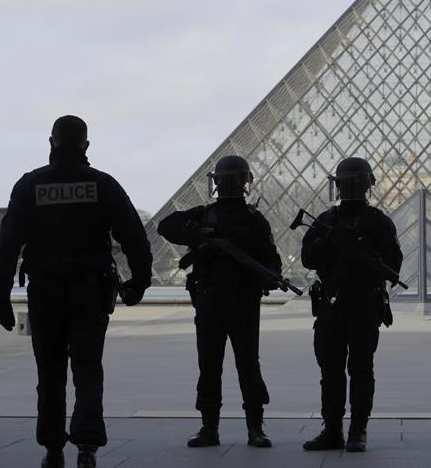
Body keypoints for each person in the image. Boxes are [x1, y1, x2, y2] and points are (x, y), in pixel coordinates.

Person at [0, 115, 152, 468]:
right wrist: (138, 283)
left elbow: (8, 244)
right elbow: (134, 237)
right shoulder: (104, 185)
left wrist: (0, 295)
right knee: (87, 371)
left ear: (51, 141)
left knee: (49, 375)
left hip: (45, 292)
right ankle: (87, 454)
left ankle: (54, 452)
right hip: (89, 292)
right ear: (86, 146)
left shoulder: (30, 185)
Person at [157, 155, 281, 449]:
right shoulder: (221, 217)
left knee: (220, 365)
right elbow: (167, 226)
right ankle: (246, 428)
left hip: (224, 300)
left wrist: (270, 275)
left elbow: (269, 261)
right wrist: (202, 239)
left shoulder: (223, 216)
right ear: (246, 181)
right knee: (237, 364)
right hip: (224, 300)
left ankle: (216, 427)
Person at [300, 157, 402, 452]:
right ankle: (334, 430)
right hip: (333, 303)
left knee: (358, 368)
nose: (352, 187)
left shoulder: (378, 223)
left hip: (363, 302)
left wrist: (363, 255)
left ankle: (357, 429)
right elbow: (308, 258)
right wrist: (330, 243)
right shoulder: (326, 223)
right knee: (332, 369)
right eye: (350, 182)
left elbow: (393, 267)